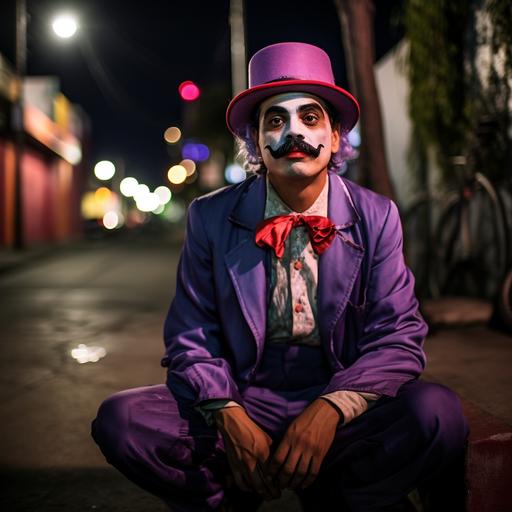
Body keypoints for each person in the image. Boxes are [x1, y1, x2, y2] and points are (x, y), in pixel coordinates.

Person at [91, 42, 470, 512]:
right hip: (243, 390)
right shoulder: (211, 217)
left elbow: (398, 336)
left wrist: (331, 409)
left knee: (438, 415)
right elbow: (191, 334)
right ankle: (228, 495)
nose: (293, 131)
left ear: (335, 137)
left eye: (311, 118)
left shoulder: (377, 215)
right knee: (121, 421)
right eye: (275, 120)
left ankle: (339, 493)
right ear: (255, 141)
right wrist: (229, 412)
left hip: (338, 389)